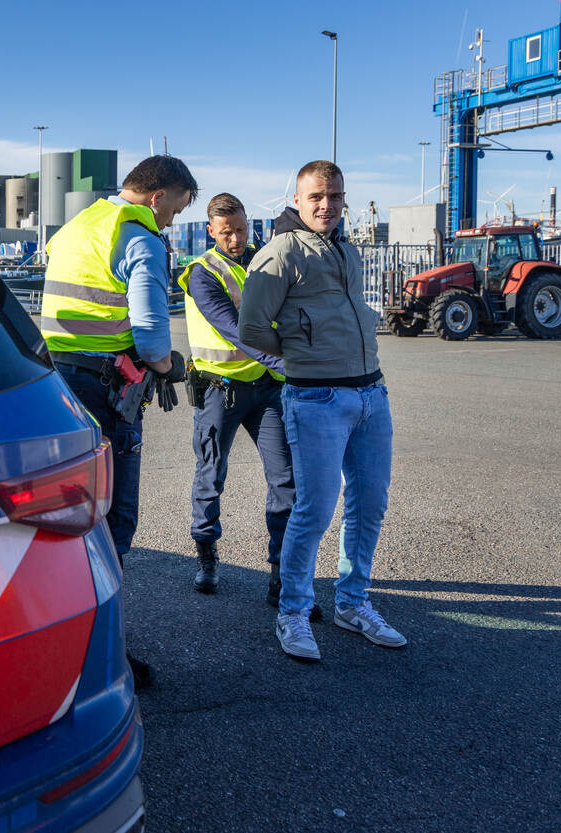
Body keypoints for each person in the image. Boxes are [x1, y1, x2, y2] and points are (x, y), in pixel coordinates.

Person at [238, 160, 406, 662]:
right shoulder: (282, 251)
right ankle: (292, 611)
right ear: (297, 199)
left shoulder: (347, 250)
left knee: (370, 503)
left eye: (333, 196)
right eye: (315, 197)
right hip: (315, 398)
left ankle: (352, 603)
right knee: (313, 510)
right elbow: (251, 329)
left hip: (370, 395)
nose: (326, 205)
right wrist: (297, 356)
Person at [40, 155, 196, 687]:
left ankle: (59, 641)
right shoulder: (139, 237)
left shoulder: (77, 227)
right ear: (157, 197)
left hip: (58, 384)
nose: (171, 221)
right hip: (106, 392)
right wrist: (168, 366)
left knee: (72, 521)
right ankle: (102, 656)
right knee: (113, 525)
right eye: (175, 208)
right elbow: (153, 336)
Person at [176, 193, 320, 620]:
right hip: (221, 391)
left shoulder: (263, 259)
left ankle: (282, 573)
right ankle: (206, 553)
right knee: (210, 475)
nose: (236, 239)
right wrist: (287, 363)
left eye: (240, 229)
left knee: (286, 479)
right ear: (210, 232)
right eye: (226, 233)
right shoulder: (201, 274)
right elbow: (236, 328)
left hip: (265, 390)